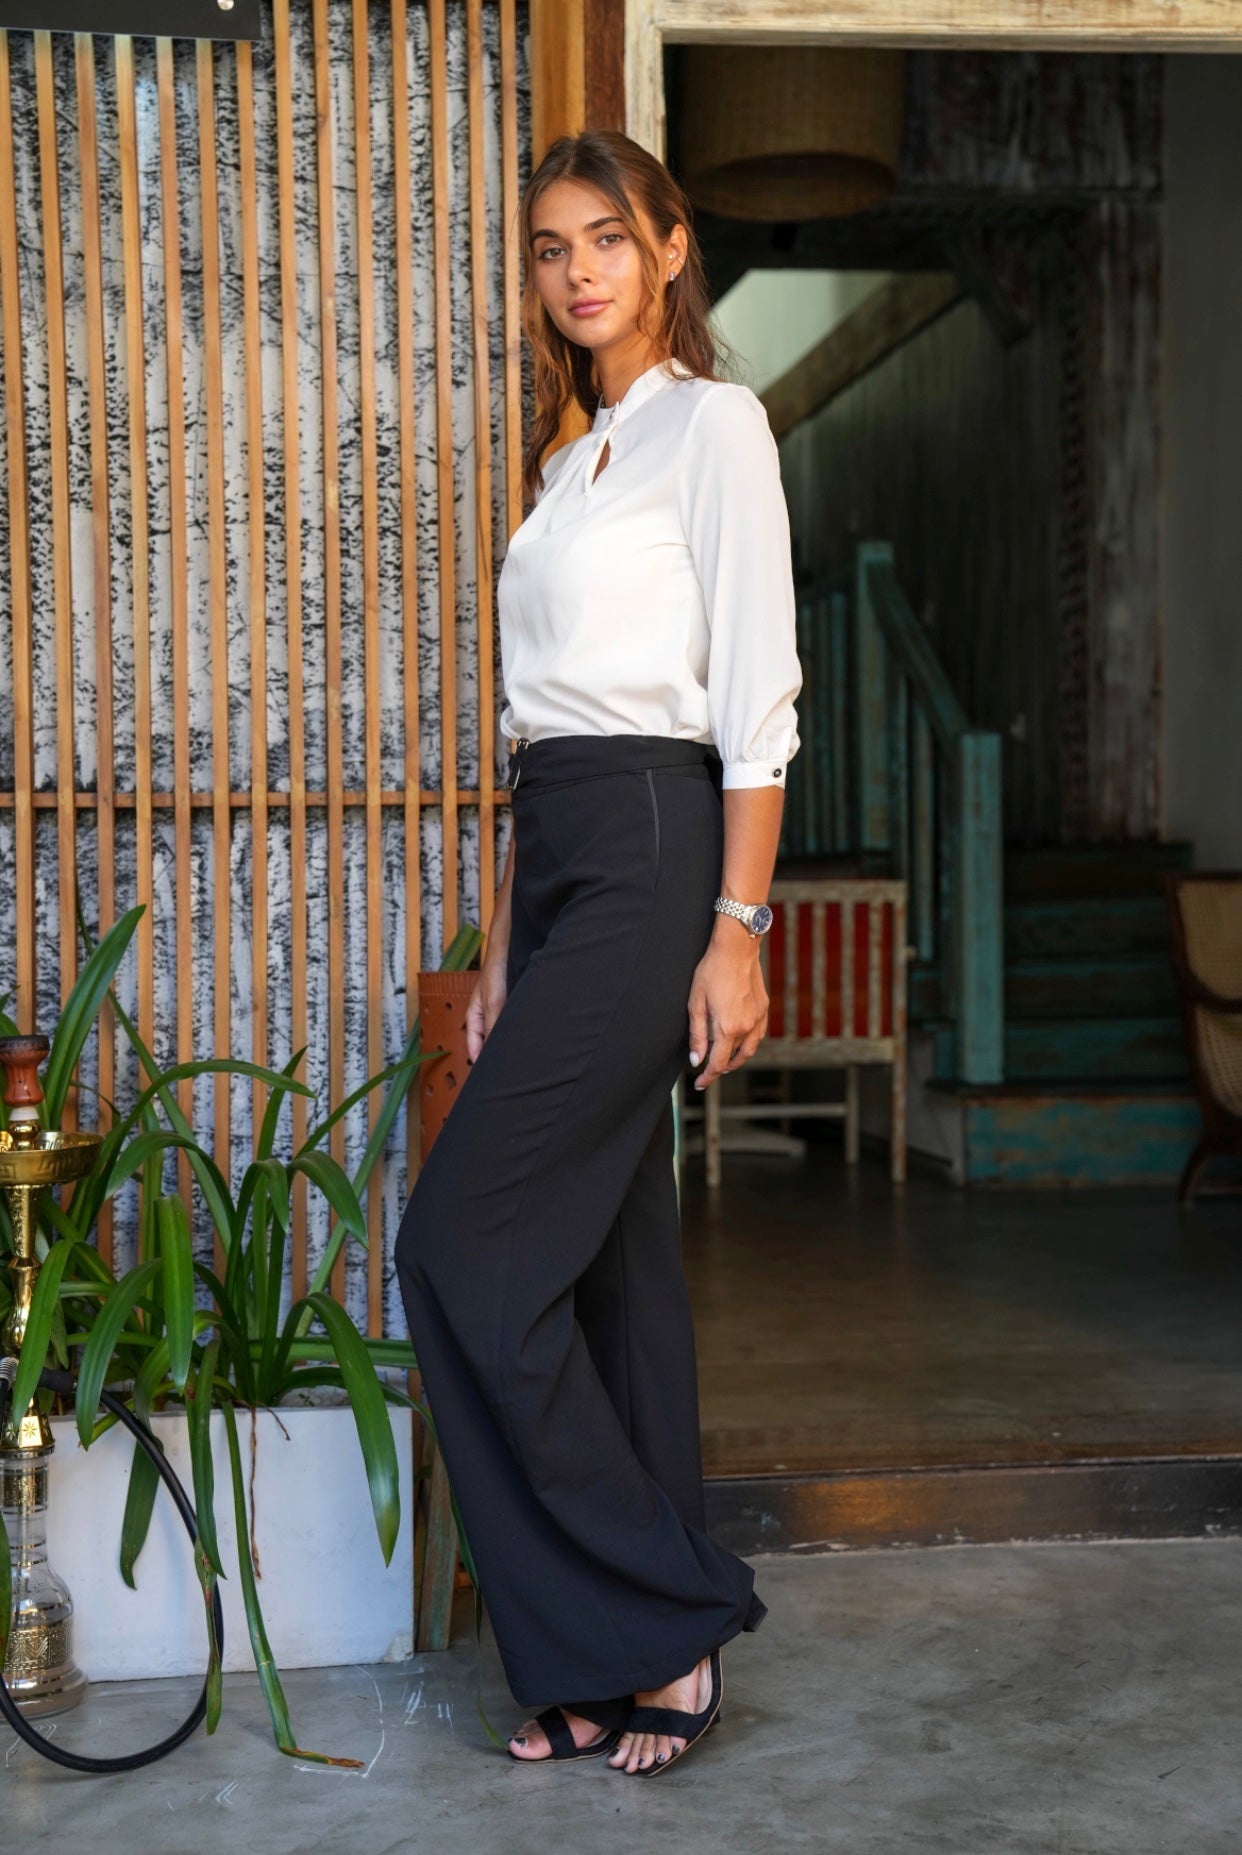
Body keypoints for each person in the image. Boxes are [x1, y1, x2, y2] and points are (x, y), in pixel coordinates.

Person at [394, 126, 802, 1778]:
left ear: (669, 247)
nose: (576, 271)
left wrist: (738, 929)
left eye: (606, 239)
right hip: (563, 856)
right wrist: (505, 947)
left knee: (455, 1250)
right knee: (609, 1272)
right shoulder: (570, 465)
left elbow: (756, 697)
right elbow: (531, 735)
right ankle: (615, 1654)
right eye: (551, 246)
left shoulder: (714, 427)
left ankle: (660, 1609)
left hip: (653, 847)